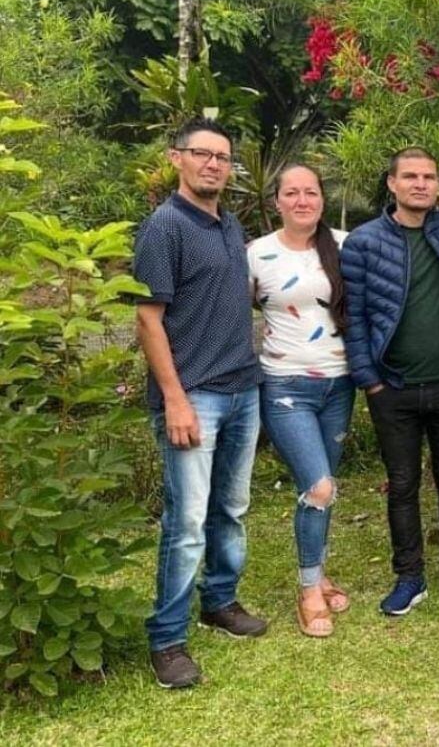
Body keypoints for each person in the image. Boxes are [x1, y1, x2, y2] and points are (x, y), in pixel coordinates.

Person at [133, 118, 267, 689]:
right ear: (176, 158)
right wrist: (175, 399)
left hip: (243, 389)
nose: (214, 164)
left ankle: (219, 601)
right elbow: (147, 317)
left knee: (230, 508)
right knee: (186, 521)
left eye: (223, 157)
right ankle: (167, 638)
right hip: (195, 397)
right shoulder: (164, 227)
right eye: (202, 154)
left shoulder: (229, 223)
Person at [340, 148, 439, 616]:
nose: (420, 184)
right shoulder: (363, 242)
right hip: (393, 388)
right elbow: (354, 316)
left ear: (438, 184)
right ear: (392, 183)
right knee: (401, 484)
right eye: (410, 177)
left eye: (428, 176)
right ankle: (408, 577)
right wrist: (369, 380)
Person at [249, 165, 355, 637]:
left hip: (339, 385)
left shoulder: (345, 244)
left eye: (309, 192)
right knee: (318, 488)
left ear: (321, 199)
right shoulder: (256, 254)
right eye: (291, 193)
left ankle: (319, 572)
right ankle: (309, 590)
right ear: (277, 201)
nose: (301, 200)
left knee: (325, 485)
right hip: (286, 386)